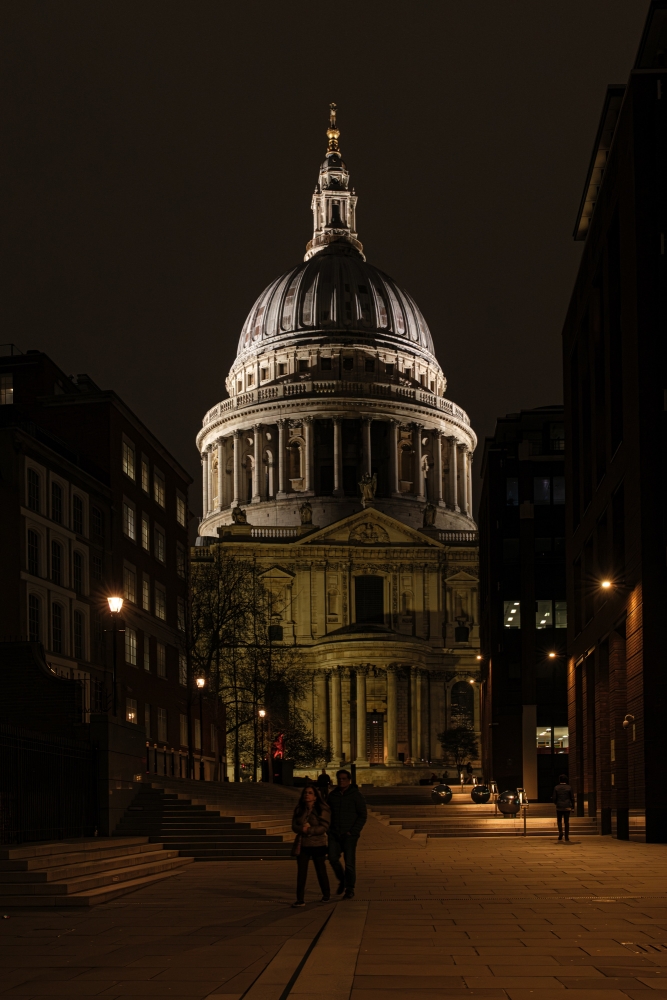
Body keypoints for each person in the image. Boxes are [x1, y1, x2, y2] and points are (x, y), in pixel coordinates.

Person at [327, 769, 367, 900]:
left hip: (349, 835)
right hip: (334, 833)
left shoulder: (356, 795)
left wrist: (353, 831)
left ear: (349, 780)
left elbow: (362, 815)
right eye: (339, 779)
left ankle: (350, 889)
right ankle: (343, 879)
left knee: (349, 863)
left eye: (344, 779)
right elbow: (327, 813)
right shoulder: (333, 795)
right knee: (332, 858)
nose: (341, 781)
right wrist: (328, 829)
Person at [290, 785, 331, 907]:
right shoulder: (299, 809)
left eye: (310, 793)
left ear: (315, 797)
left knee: (320, 870)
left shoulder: (322, 809)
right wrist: (302, 829)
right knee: (301, 872)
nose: (307, 795)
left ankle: (326, 894)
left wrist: (309, 830)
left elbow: (324, 827)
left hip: (318, 844)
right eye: (305, 793)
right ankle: (300, 899)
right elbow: (294, 826)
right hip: (302, 844)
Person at [552, 773, 575, 842]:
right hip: (567, 806)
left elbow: (554, 798)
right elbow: (572, 798)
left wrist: (556, 803)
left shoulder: (556, 787)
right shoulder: (569, 787)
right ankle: (567, 836)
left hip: (559, 806)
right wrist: (573, 807)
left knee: (559, 820)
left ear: (560, 780)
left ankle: (560, 833)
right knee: (566, 821)